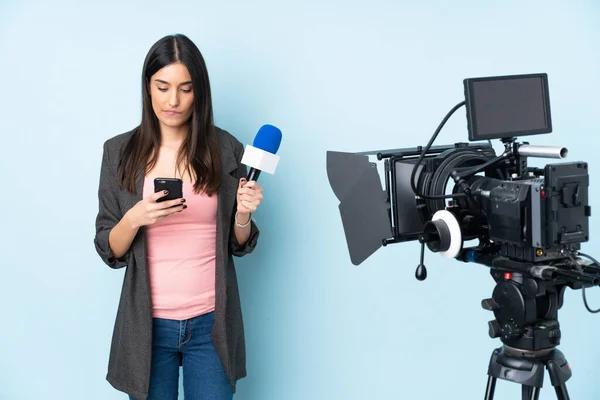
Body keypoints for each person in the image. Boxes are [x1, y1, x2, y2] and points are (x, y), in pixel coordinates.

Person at [93, 33, 262, 400]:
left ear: (199, 92)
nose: (173, 100)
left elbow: (238, 243)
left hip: (211, 323)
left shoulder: (225, 148)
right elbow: (109, 248)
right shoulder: (118, 152)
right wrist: (136, 217)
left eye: (185, 89)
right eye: (163, 86)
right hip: (147, 326)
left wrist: (244, 216)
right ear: (147, 88)